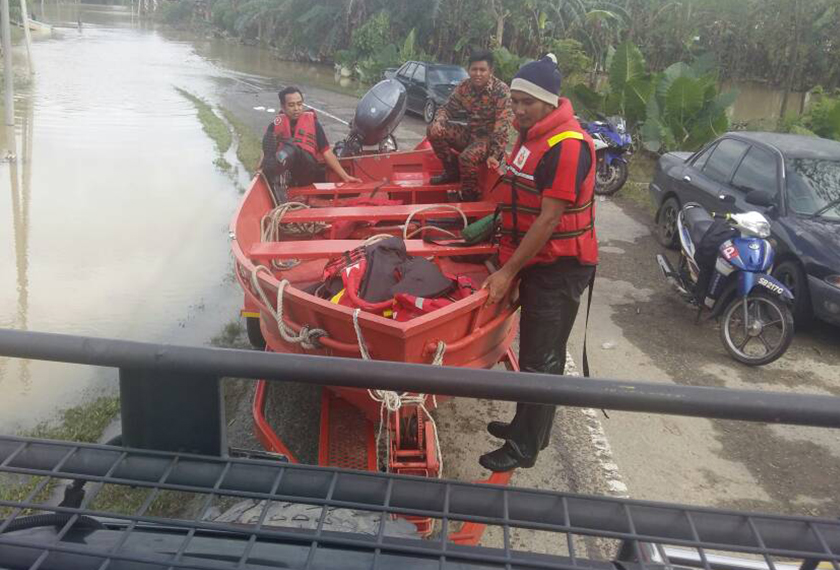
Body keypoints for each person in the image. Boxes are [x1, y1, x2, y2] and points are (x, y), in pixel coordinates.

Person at [479, 54, 598, 472]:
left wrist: (508, 271)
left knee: (540, 359)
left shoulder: (566, 147)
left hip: (559, 268)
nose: (518, 110)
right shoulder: (532, 137)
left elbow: (549, 219)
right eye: (513, 101)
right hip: (539, 261)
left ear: (548, 101)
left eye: (526, 102)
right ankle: (526, 428)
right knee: (535, 352)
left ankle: (524, 449)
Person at [427, 49, 512, 201]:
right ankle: (452, 172)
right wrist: (439, 121)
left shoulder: (501, 91)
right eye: (474, 69)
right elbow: (447, 108)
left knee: (466, 157)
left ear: (490, 71)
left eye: (482, 70)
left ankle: (469, 196)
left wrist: (494, 154)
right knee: (434, 131)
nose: (478, 73)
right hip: (470, 134)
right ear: (469, 70)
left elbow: (502, 126)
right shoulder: (464, 87)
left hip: (488, 140)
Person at [260, 86, 361, 200]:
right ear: (283, 107)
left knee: (292, 148)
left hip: (307, 169)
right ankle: (275, 172)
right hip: (288, 172)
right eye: (291, 105)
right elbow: (266, 150)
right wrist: (258, 169)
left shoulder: (314, 124)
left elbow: (327, 152)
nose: (297, 108)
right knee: (277, 156)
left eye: (299, 104)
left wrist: (345, 176)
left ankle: (275, 167)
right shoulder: (274, 126)